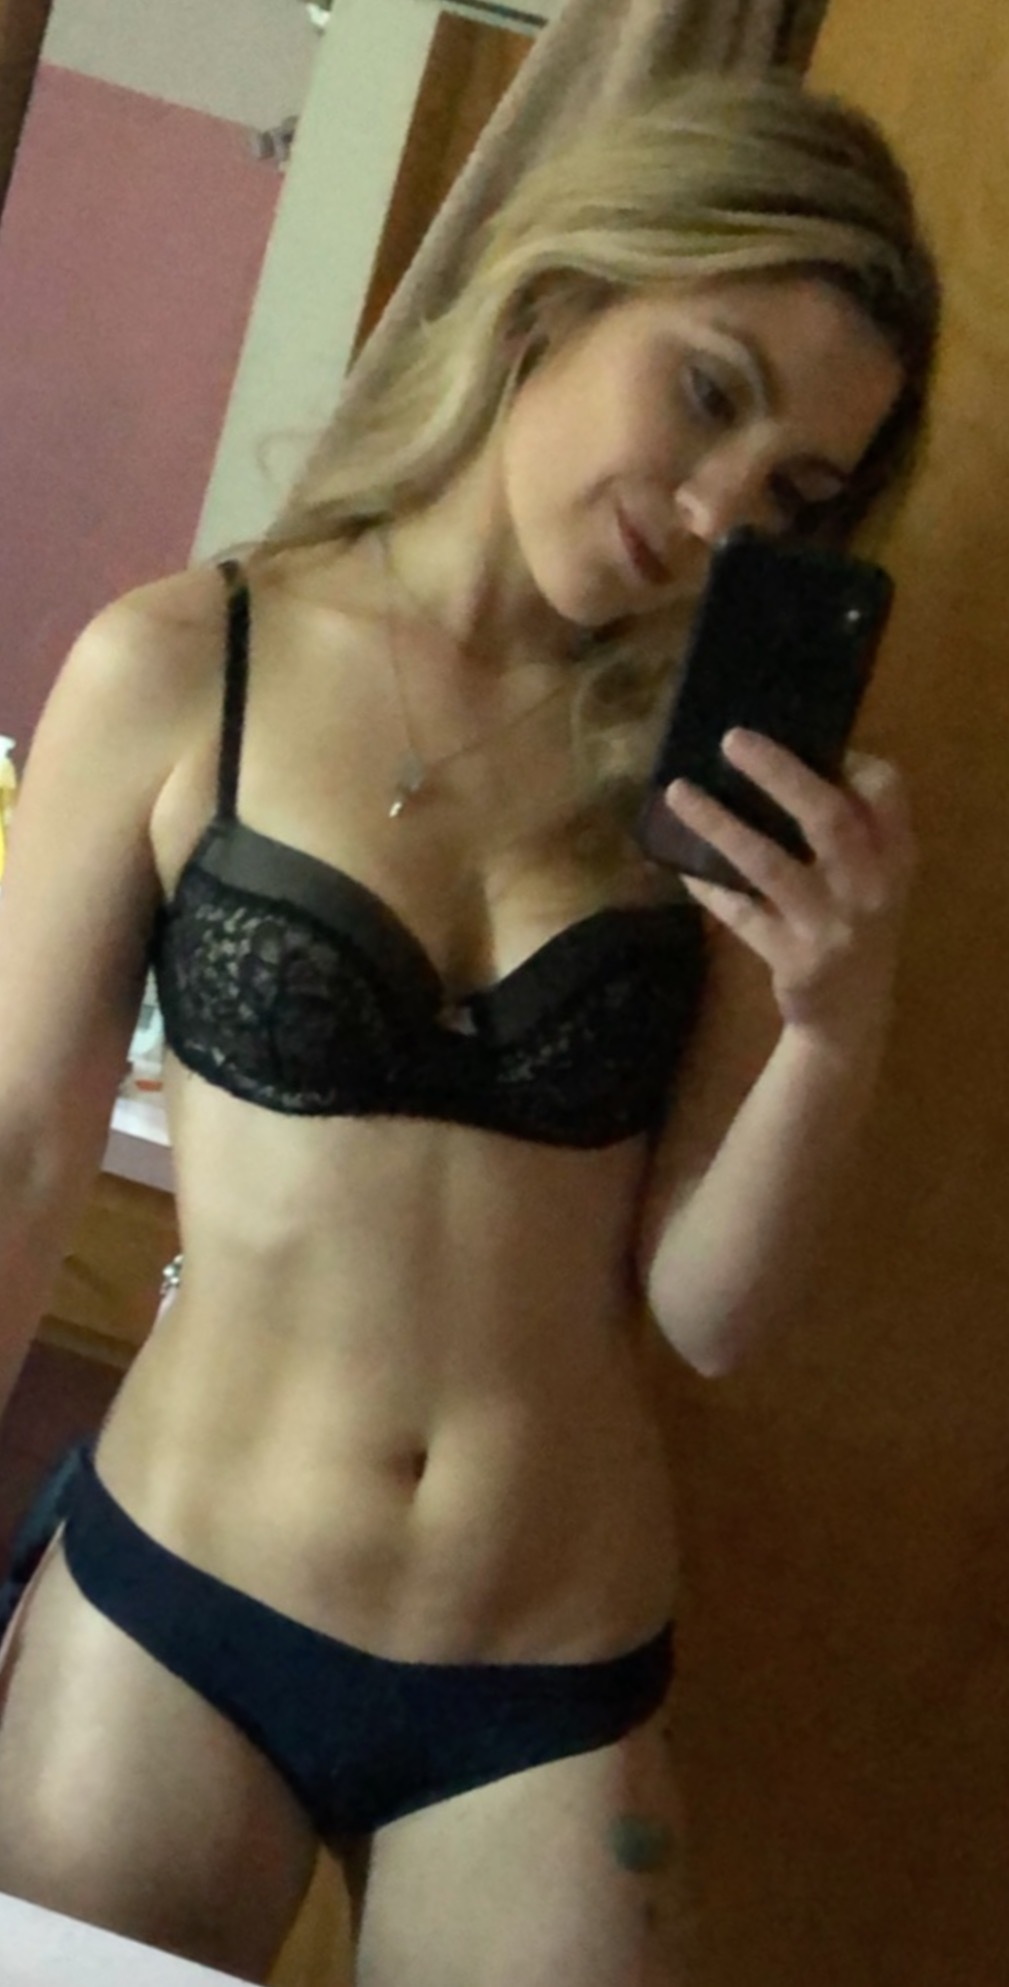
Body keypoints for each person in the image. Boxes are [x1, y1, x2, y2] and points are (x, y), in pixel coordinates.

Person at [0, 71, 939, 1987]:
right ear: (558, 294)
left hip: (543, 1679)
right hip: (178, 1604)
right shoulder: (185, 665)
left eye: (792, 496)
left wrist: (834, 1026)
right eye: (708, 393)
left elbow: (706, 1313)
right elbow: (18, 1150)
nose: (718, 512)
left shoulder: (708, 782)